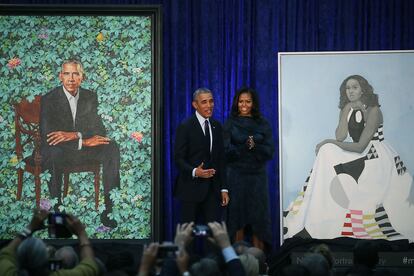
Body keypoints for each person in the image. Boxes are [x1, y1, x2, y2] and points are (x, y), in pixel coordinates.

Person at [284, 75, 414, 240]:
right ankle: (315, 214)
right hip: (358, 152)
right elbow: (340, 137)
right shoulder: (349, 109)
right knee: (327, 150)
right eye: (348, 88)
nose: (351, 91)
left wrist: (328, 141)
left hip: (376, 155)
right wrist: (345, 111)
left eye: (355, 87)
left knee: (328, 146)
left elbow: (361, 146)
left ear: (363, 90)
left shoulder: (374, 110)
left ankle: (342, 218)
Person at [40, 59, 120, 228]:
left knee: (111, 147)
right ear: (60, 76)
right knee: (52, 152)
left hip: (82, 147)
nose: (71, 78)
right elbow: (50, 136)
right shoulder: (49, 99)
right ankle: (58, 212)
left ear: (82, 77)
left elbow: (99, 129)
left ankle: (109, 210)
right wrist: (83, 141)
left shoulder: (90, 96)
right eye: (67, 74)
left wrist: (75, 135)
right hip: (60, 150)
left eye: (75, 74)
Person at [223, 87, 275, 250]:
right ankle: (237, 261)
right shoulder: (230, 123)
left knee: (258, 219)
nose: (244, 104)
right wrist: (244, 147)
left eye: (248, 101)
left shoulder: (262, 123)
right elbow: (225, 152)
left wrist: (255, 146)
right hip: (236, 177)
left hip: (257, 178)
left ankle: (259, 263)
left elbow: (270, 151)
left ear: (253, 104)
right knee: (237, 217)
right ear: (236, 103)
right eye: (241, 101)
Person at [174, 88, 229, 224]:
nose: (209, 105)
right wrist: (195, 171)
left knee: (213, 235)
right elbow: (178, 158)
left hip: (212, 190)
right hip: (190, 189)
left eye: (211, 101)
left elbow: (221, 159)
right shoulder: (185, 126)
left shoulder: (217, 126)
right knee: (188, 236)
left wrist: (224, 188)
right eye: (204, 102)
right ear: (195, 105)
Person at [0, 209, 99, 275]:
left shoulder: (5, 271)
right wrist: (81, 233)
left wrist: (30, 227)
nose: (49, 247)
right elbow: (90, 266)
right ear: (46, 261)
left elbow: (6, 253)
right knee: (69, 254)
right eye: (45, 247)